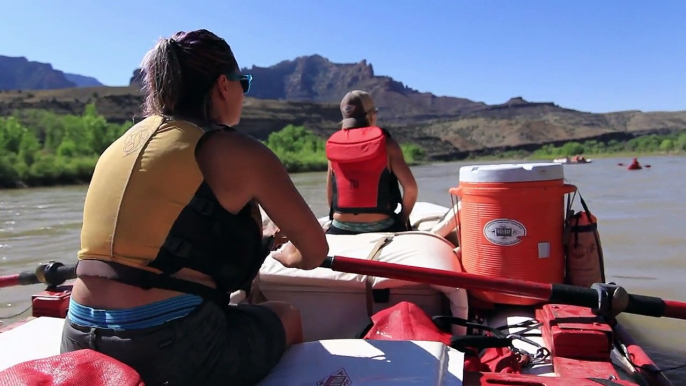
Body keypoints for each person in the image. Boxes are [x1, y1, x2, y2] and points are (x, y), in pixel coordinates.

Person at [60, 29, 328, 386]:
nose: (243, 94)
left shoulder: (119, 144)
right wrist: (285, 254)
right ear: (223, 85)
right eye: (242, 82)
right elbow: (314, 252)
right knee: (288, 316)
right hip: (168, 345)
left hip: (77, 334)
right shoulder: (240, 151)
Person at [325, 90, 418, 235]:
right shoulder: (387, 144)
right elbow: (411, 189)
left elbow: (331, 194)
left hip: (340, 226)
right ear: (371, 116)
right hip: (381, 226)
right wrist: (403, 218)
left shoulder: (334, 145)